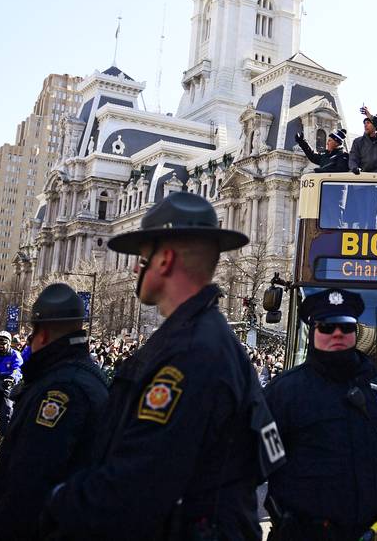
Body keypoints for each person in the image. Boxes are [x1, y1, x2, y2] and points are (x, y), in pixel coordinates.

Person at [42, 192, 283, 539]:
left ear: (165, 260)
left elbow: (140, 480)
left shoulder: (190, 352)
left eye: (141, 258)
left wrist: (60, 501)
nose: (136, 268)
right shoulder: (204, 337)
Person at [263, 288, 377, 541]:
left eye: (346, 327)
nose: (337, 333)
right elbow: (245, 465)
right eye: (327, 326)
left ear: (355, 333)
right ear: (313, 332)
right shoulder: (283, 393)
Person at [0, 283, 109, 540]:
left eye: (31, 334)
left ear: (44, 334)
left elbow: (32, 475)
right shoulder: (76, 374)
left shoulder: (62, 387)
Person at [0, 331, 24, 444]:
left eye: (4, 342)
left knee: (7, 409)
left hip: (7, 383)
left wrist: (12, 378)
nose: (1, 345)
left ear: (9, 343)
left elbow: (18, 369)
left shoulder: (15, 354)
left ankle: (3, 436)